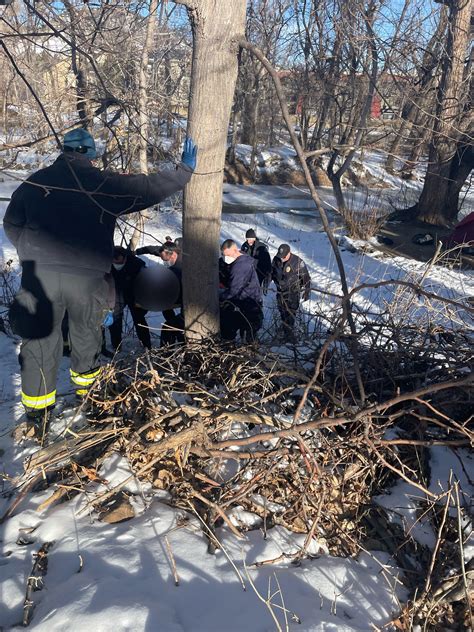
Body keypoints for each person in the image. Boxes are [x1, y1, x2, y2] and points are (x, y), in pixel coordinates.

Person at [4, 128, 197, 434]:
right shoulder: (100, 183)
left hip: (40, 273)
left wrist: (30, 250)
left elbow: (11, 223)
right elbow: (146, 189)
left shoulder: (35, 182)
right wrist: (183, 173)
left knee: (40, 340)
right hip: (86, 276)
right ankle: (92, 402)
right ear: (91, 156)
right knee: (86, 336)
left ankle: (38, 419)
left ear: (63, 150)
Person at [137, 241, 184, 345]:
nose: (165, 262)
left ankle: (168, 349)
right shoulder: (169, 251)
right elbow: (155, 249)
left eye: (166, 260)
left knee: (168, 326)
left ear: (174, 254)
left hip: (184, 299)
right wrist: (139, 251)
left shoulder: (179, 268)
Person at [220, 239, 263, 342]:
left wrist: (219, 295)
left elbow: (233, 290)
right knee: (248, 332)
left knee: (248, 334)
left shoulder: (241, 266)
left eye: (228, 255)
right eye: (224, 255)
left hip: (249, 304)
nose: (226, 258)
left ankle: (249, 351)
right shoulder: (241, 259)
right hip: (248, 301)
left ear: (235, 250)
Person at [108, 246, 151, 351]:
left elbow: (145, 281)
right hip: (117, 293)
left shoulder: (136, 264)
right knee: (115, 318)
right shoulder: (107, 264)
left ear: (124, 257)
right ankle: (116, 345)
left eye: (118, 260)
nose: (115, 262)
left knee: (139, 318)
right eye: (113, 260)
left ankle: (146, 345)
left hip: (134, 293)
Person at [271, 243, 311, 340]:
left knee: (291, 313)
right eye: (281, 256)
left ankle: (289, 334)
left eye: (284, 256)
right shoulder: (276, 259)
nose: (282, 258)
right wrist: (267, 280)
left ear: (289, 253)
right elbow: (271, 271)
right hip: (280, 291)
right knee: (282, 310)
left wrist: (306, 291)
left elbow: (306, 277)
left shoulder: (297, 262)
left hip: (292, 292)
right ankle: (284, 328)